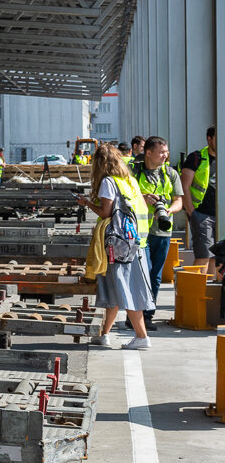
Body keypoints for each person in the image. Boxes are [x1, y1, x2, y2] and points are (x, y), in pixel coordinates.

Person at [75, 145, 154, 349]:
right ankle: (105, 334)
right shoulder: (129, 181)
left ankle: (142, 336)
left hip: (119, 246)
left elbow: (105, 212)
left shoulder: (108, 182)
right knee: (114, 289)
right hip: (135, 242)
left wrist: (86, 203)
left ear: (99, 163)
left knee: (127, 290)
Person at [132, 135, 183, 328]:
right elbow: (123, 196)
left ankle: (147, 315)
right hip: (140, 232)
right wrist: (143, 198)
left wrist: (169, 210)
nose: (165, 155)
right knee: (142, 273)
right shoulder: (133, 172)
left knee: (155, 275)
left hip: (162, 231)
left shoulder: (170, 174)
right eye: (161, 152)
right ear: (148, 152)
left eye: (166, 152)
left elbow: (178, 200)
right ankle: (135, 314)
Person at [180, 126, 217, 275]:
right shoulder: (197, 157)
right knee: (204, 256)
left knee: (217, 257)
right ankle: (198, 287)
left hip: (220, 215)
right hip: (202, 214)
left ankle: (210, 288)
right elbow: (184, 186)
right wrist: (192, 213)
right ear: (209, 139)